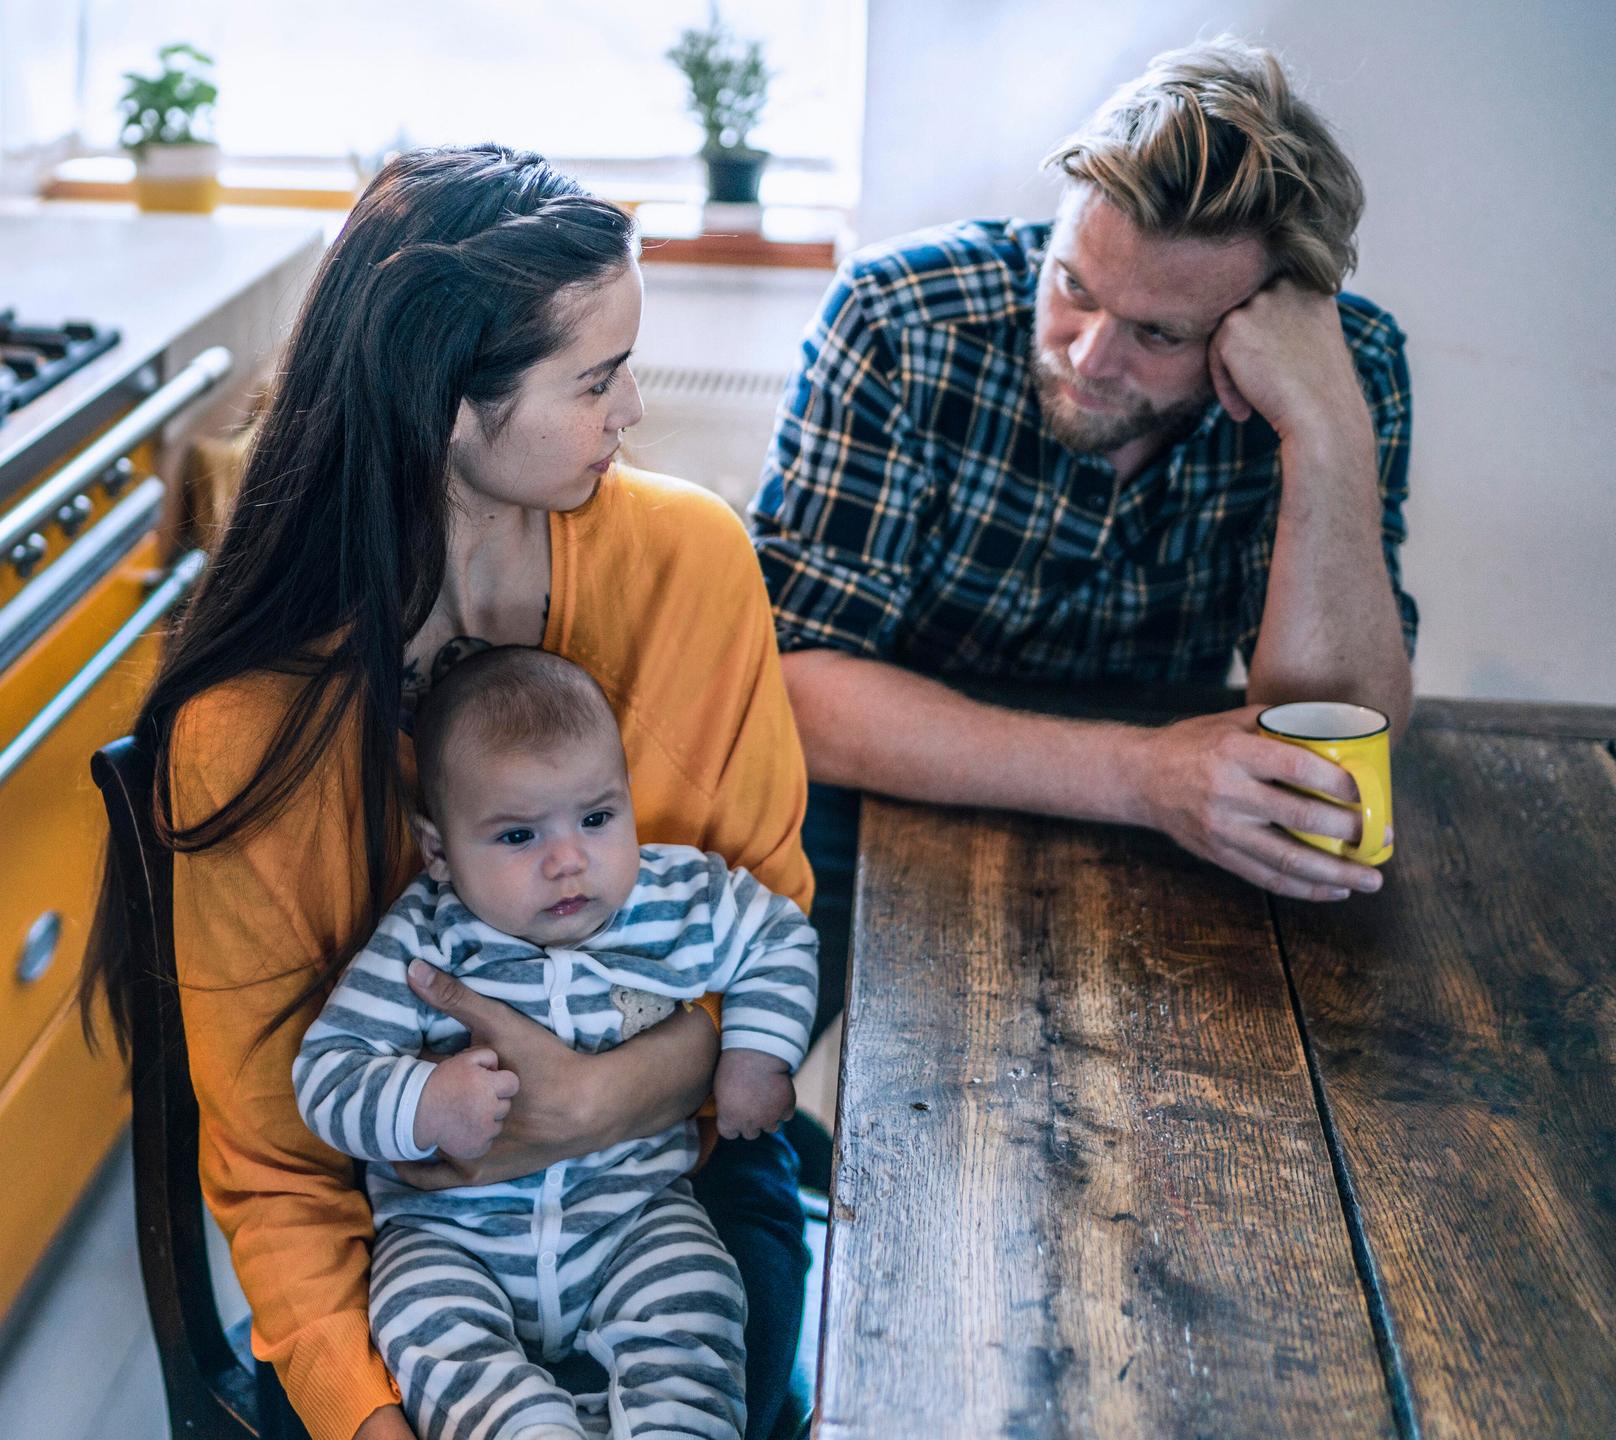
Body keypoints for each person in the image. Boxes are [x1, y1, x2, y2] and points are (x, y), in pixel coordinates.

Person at [79, 144, 815, 1440]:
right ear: (449, 408)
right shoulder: (244, 735)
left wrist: (595, 1101)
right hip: (405, 1239)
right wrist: (372, 1421)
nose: (632, 409)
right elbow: (277, 1164)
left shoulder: (696, 567)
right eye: (597, 380)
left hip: (674, 1188)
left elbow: (770, 946)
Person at [749, 37, 1418, 1038]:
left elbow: (1335, 739)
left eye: (1160, 335)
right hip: (888, 781)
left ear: (1267, 319)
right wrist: (1140, 777)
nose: (1090, 358)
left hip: (1182, 821)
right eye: (1074, 287)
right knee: (729, 1053)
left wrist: (1323, 436)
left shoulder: (1342, 370)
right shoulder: (901, 319)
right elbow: (795, 693)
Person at [295, 646, 818, 1440]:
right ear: (439, 851)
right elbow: (326, 1075)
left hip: (633, 1218)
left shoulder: (672, 897)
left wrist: (755, 1053)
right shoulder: (426, 941)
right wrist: (424, 1102)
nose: (569, 860)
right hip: (453, 1240)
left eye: (598, 818)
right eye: (517, 836)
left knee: (699, 1299)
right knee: (419, 1320)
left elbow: (779, 936)